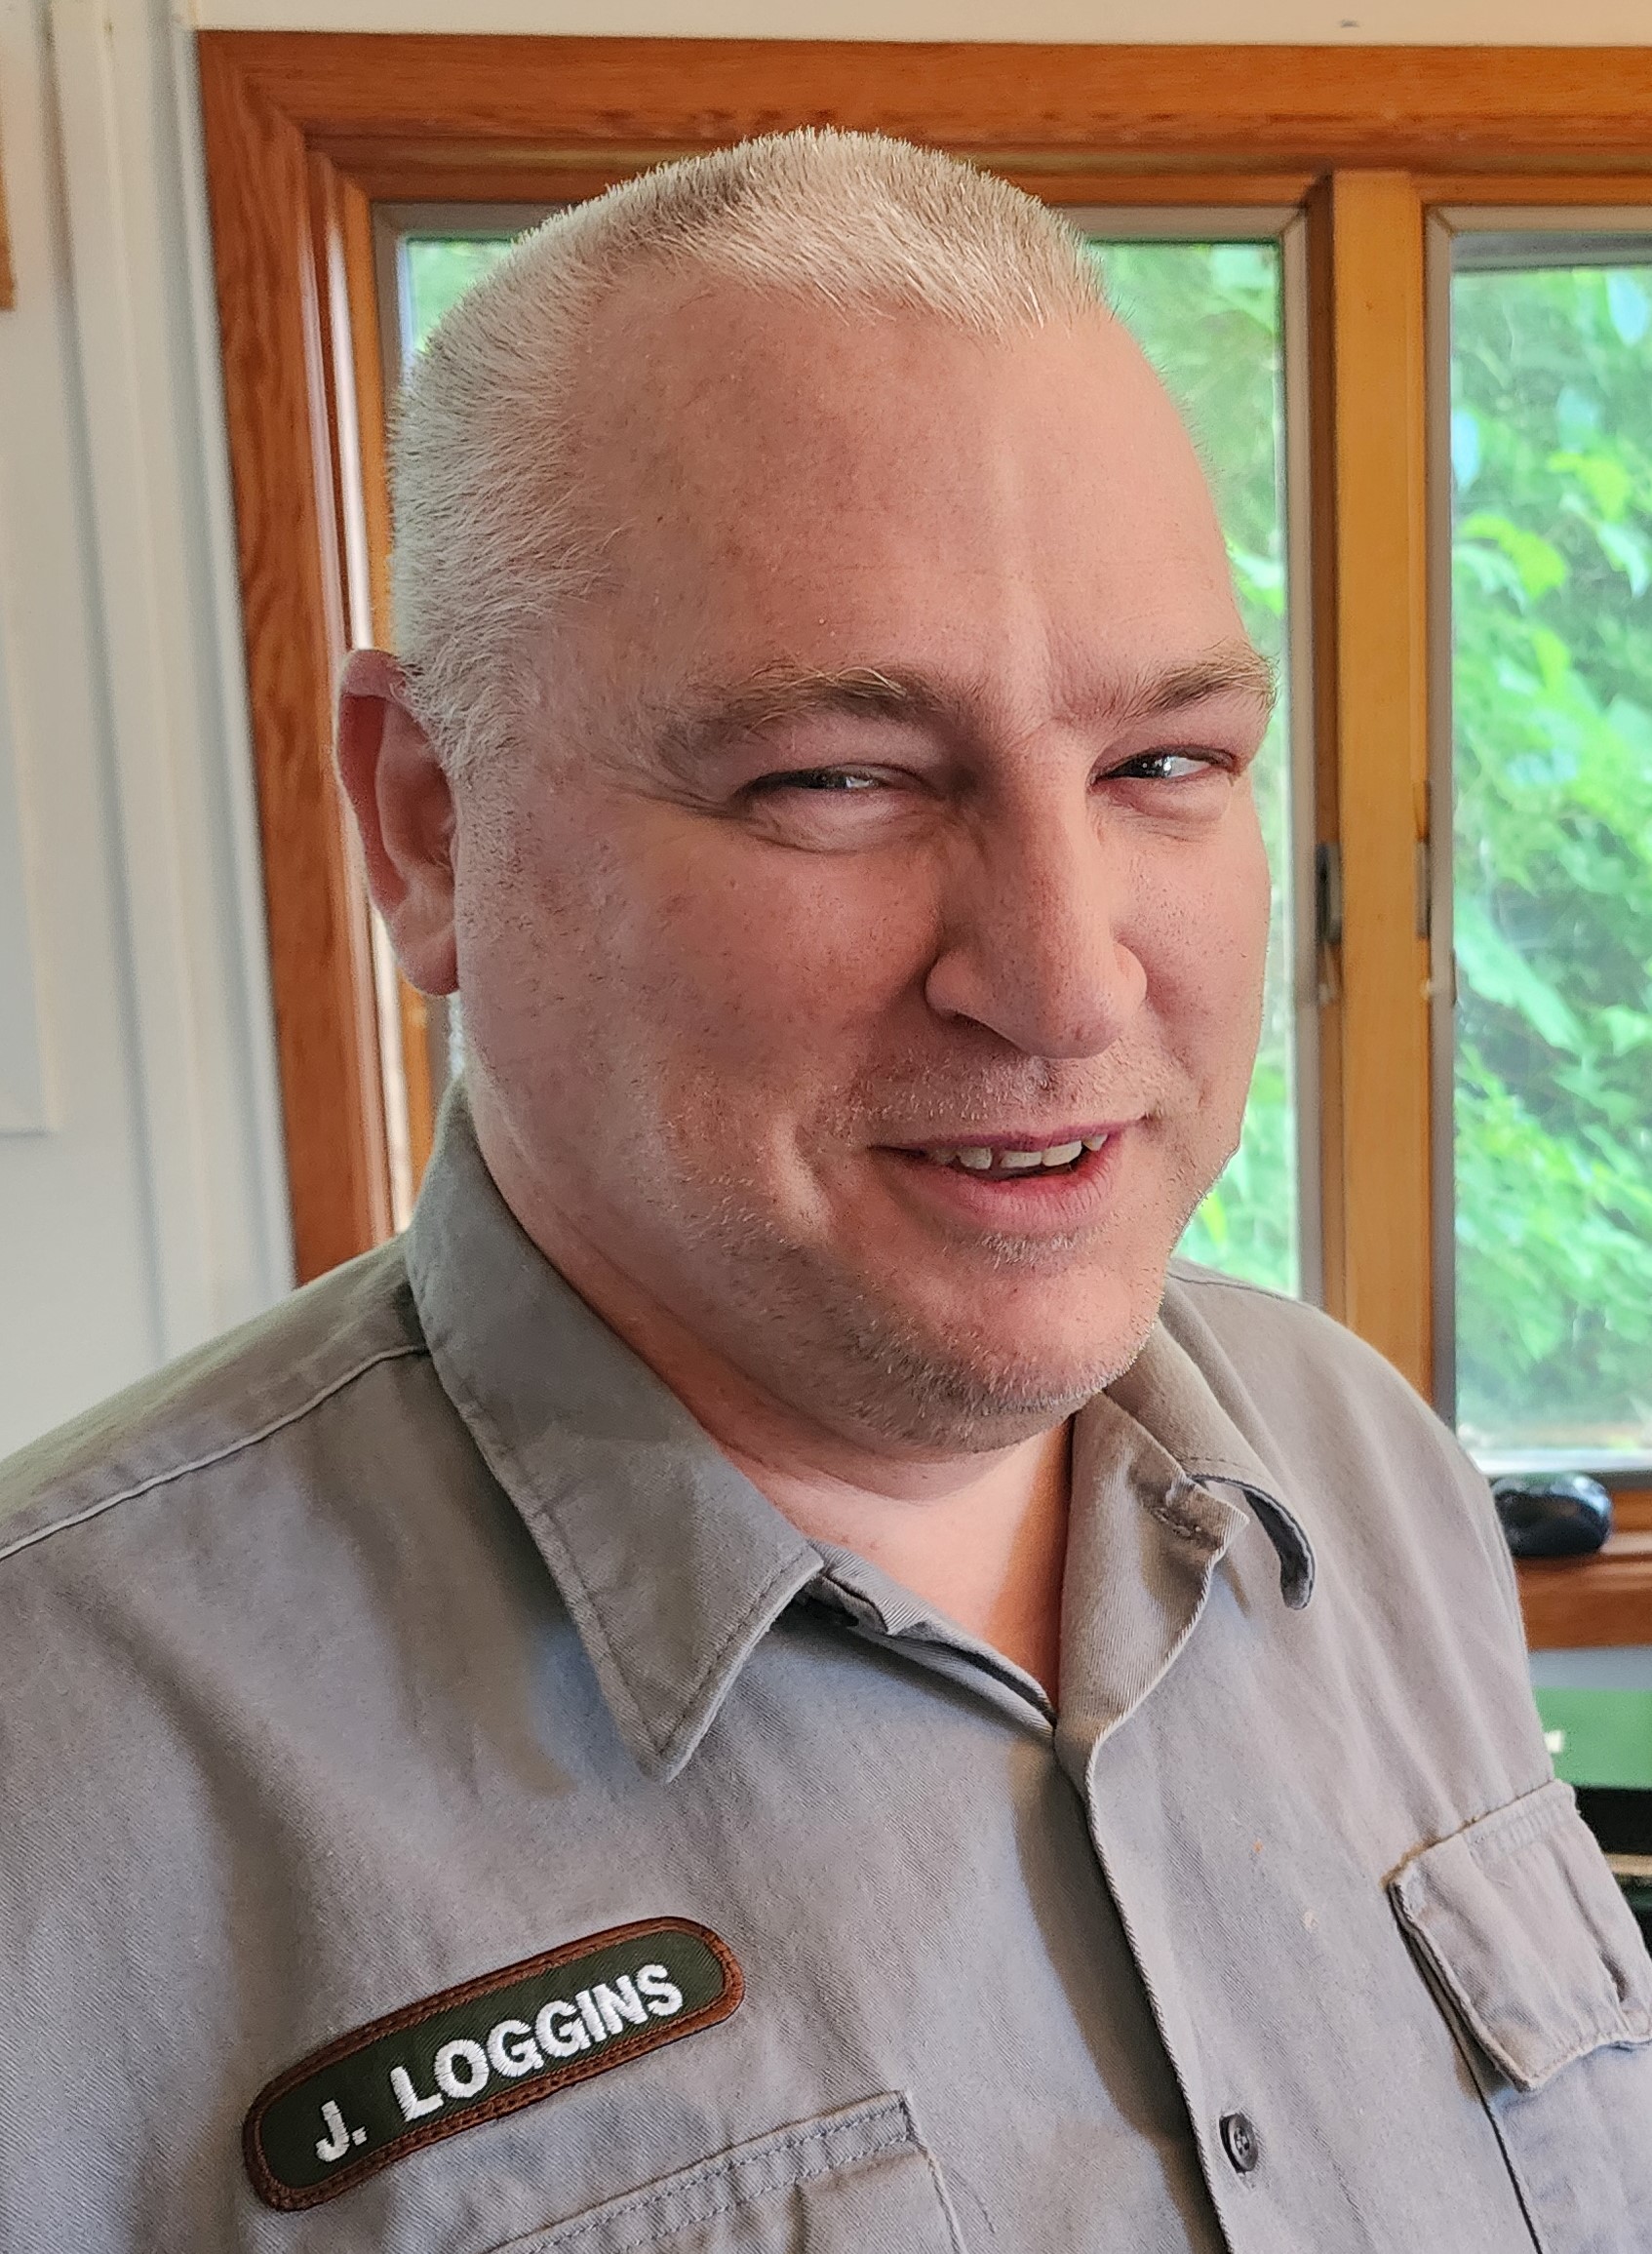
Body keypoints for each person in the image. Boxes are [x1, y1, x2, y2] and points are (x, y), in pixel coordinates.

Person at [1, 130, 1647, 2254]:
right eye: (838, 779)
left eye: (1163, 762)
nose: (1060, 979)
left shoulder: (1361, 1462)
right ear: (426, 825)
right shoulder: (56, 1778)